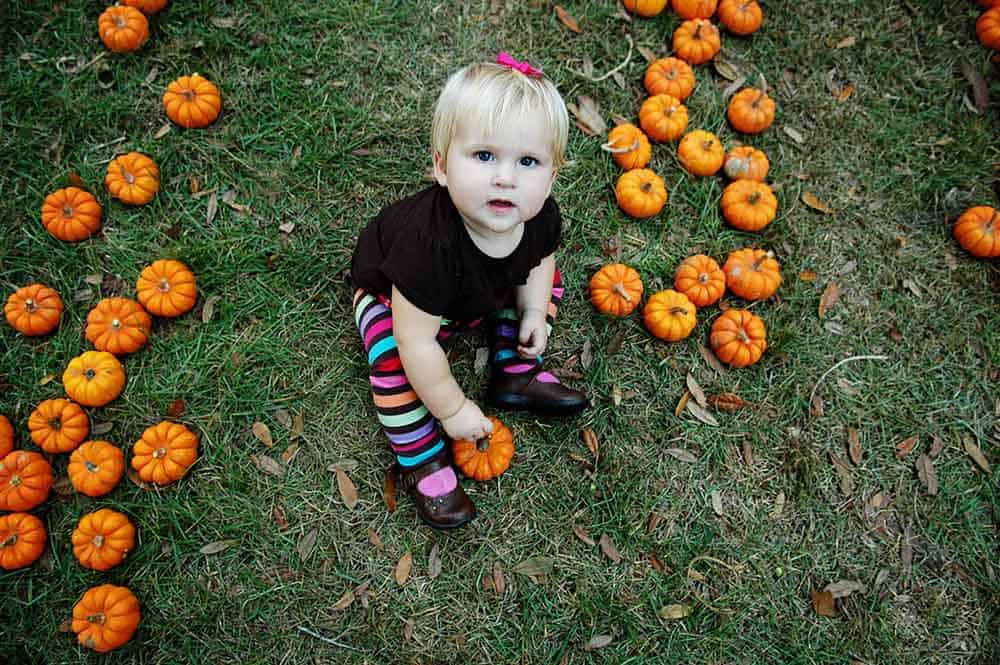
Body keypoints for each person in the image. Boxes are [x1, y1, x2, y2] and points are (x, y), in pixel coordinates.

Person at [350, 53, 589, 529]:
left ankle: (514, 371)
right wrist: (454, 410)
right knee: (396, 363)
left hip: (473, 294)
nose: (506, 177)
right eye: (484, 156)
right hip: (396, 300)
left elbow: (541, 260)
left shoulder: (538, 216)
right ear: (442, 166)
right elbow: (416, 341)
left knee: (544, 284)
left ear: (551, 177)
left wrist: (536, 313)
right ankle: (422, 459)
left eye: (528, 161)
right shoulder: (427, 245)